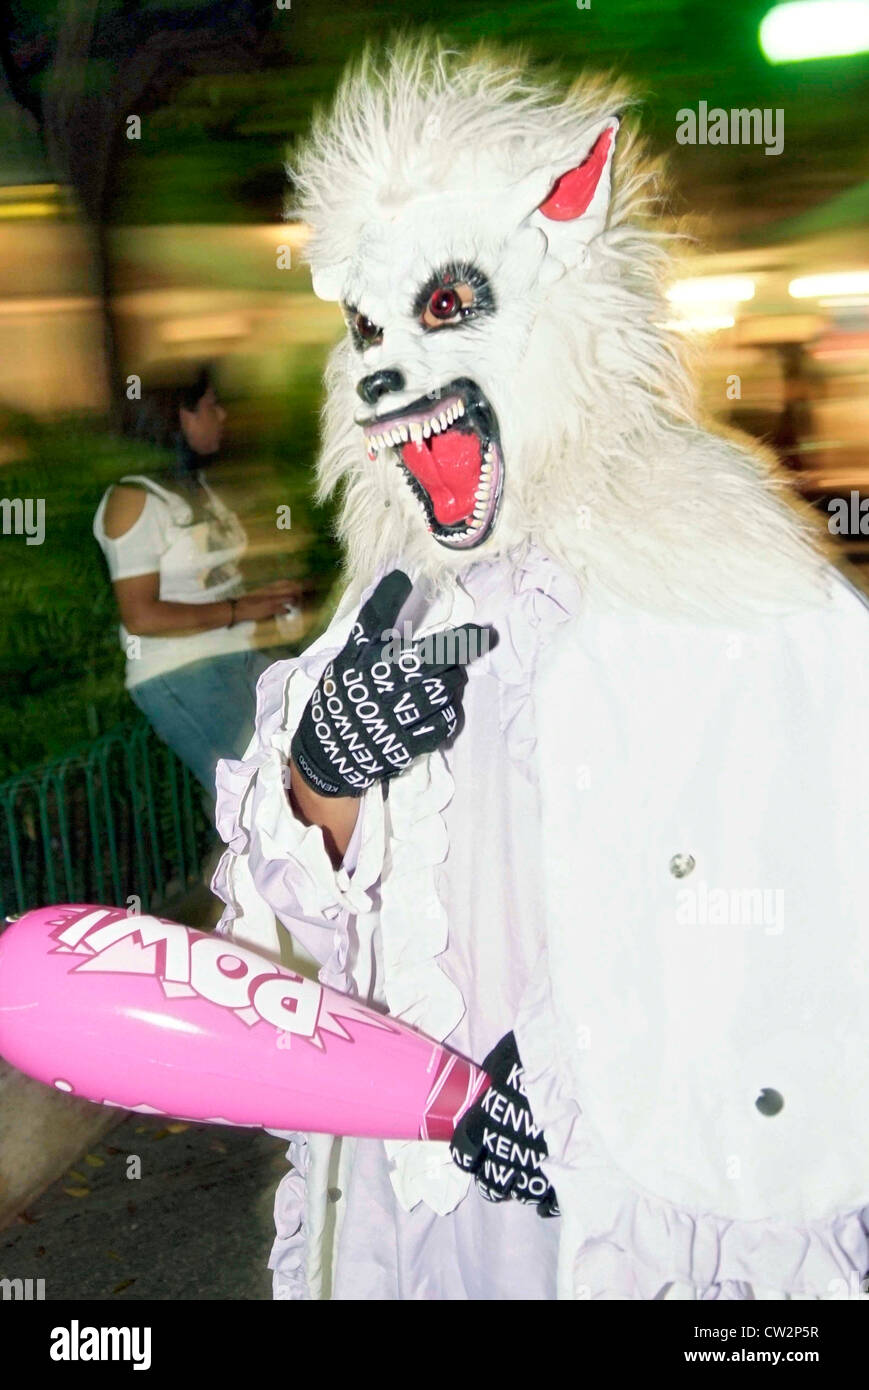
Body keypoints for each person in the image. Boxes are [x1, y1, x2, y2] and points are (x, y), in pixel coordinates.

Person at [209, 43, 869, 1300]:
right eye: (367, 329)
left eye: (448, 306)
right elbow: (280, 958)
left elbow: (810, 926)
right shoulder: (386, 615)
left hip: (633, 1210)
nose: (386, 366)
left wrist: (573, 1078)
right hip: (416, 1204)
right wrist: (322, 781)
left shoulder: (743, 604)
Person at [93, 363, 299, 794]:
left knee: (300, 771)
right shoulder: (133, 499)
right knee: (260, 800)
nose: (221, 415)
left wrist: (262, 601)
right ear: (177, 416)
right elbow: (141, 615)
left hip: (237, 654)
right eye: (210, 405)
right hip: (184, 672)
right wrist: (242, 609)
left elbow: (208, 578)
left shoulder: (193, 486)